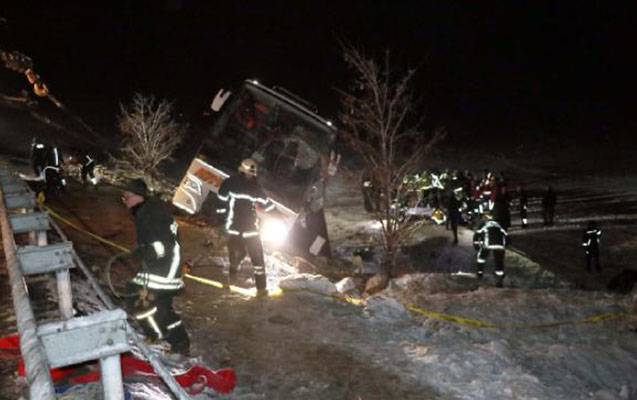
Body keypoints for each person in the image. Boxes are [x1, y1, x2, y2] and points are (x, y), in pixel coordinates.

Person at [121, 179, 190, 354]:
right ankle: (164, 336)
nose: (125, 200)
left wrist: (143, 252)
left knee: (144, 302)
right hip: (159, 266)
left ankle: (173, 340)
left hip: (165, 268)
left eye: (127, 196)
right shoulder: (148, 210)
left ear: (139, 197)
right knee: (152, 303)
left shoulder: (151, 213)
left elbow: (163, 246)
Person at [217, 159, 275, 295]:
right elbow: (221, 203)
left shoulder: (238, 184)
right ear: (243, 171)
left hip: (248, 228)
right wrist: (221, 222)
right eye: (250, 174)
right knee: (237, 255)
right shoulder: (233, 184)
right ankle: (232, 278)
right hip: (235, 228)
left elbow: (266, 202)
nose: (251, 176)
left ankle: (261, 288)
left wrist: (279, 215)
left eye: (252, 175)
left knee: (257, 258)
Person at [473, 216, 510, 287]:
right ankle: (499, 280)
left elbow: (476, 235)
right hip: (500, 245)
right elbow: (507, 236)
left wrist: (476, 246)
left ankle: (480, 272)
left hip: (487, 244)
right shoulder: (500, 226)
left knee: (481, 258)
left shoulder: (484, 225)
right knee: (499, 261)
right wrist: (506, 246)